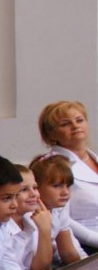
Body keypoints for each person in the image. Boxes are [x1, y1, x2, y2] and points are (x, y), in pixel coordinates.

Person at [38, 100, 98, 252]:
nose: (75, 126)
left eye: (79, 120)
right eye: (65, 124)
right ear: (51, 134)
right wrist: (93, 239)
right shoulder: (51, 166)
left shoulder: (94, 158)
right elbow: (61, 217)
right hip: (84, 244)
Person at [30, 154, 84, 266]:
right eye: (57, 186)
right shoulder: (28, 214)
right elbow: (39, 265)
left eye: (68, 186)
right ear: (36, 187)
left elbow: (68, 254)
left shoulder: (58, 209)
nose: (65, 192)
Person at [9, 164, 54, 270]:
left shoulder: (32, 218)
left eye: (35, 187)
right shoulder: (3, 226)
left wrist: (45, 230)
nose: (34, 194)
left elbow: (41, 268)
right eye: (24, 189)